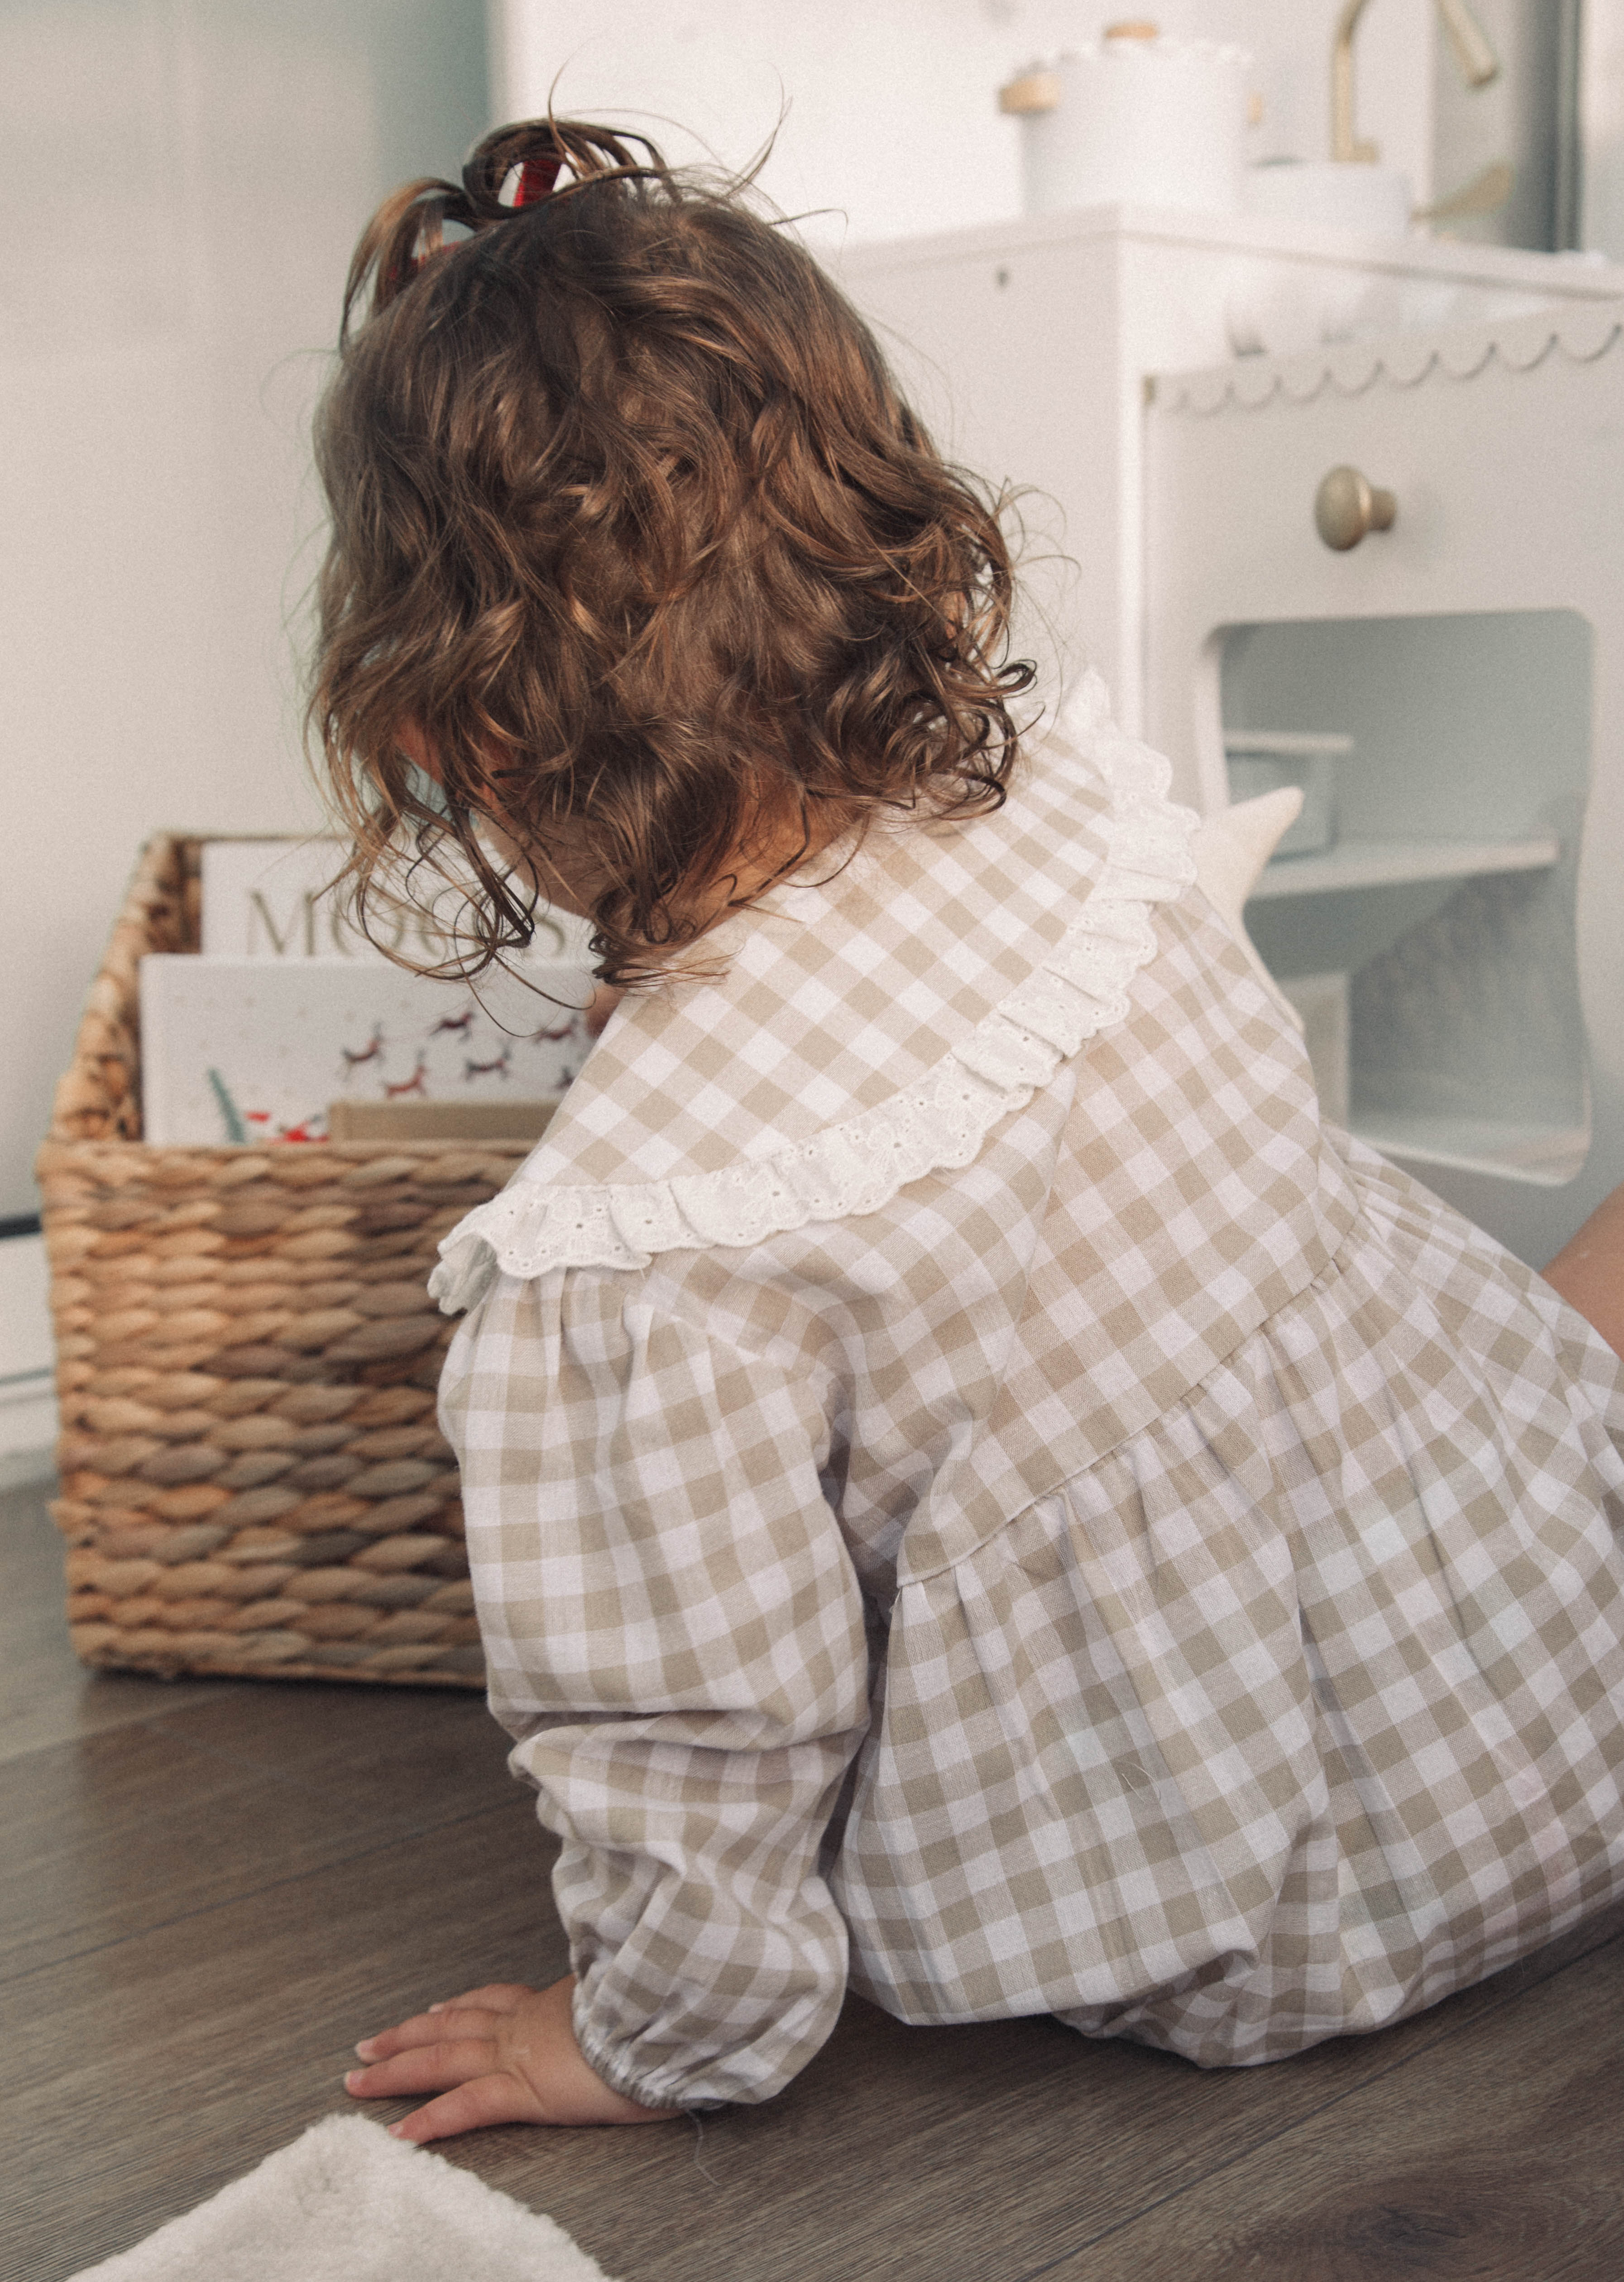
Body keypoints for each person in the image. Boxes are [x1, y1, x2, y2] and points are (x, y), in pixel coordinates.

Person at [314, 119, 1624, 2143]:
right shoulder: (1070, 826)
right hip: (1556, 1628)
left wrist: (645, 2032)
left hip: (1280, 1912)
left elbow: (704, 1722)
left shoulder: (636, 1248)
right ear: (886, 525)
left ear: (440, 735)